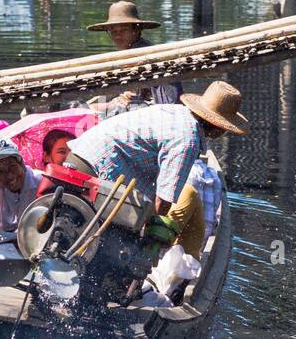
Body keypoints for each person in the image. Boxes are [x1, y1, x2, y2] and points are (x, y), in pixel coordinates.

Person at [68, 81, 248, 257]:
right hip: (100, 169)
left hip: (80, 153)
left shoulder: (177, 112)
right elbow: (164, 199)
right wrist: (150, 239)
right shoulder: (188, 140)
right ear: (218, 129)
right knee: (120, 246)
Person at [87, 0, 183, 112]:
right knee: (99, 104)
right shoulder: (135, 50)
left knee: (93, 108)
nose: (117, 36)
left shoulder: (141, 52)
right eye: (113, 31)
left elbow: (148, 96)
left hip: (163, 109)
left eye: (123, 30)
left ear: (136, 30)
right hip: (153, 104)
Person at [0, 138, 42, 234]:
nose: (9, 176)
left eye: (12, 167)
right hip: (0, 245)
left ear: (21, 164)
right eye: (0, 171)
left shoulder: (40, 181)